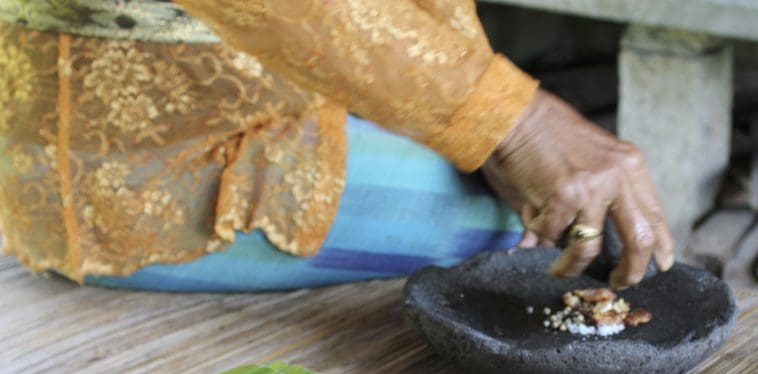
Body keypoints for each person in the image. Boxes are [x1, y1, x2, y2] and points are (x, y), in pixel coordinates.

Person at [0, 0, 673, 292]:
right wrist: (508, 120)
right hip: (119, 157)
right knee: (529, 226)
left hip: (283, 91)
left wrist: (490, 118)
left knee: (548, 198)